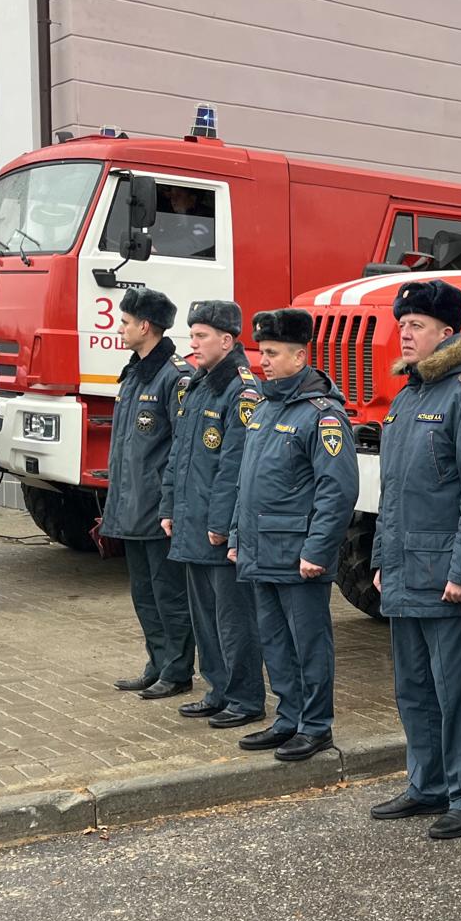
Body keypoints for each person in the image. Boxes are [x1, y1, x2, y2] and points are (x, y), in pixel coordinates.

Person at [366, 280, 461, 835]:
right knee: (412, 687)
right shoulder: (408, 395)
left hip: (444, 574)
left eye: (416, 324)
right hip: (402, 567)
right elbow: (390, 491)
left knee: (457, 690)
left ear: (447, 332)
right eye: (402, 323)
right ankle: (427, 784)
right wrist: (377, 555)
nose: (405, 333)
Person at [230, 308, 359, 762]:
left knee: (308, 644)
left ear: (300, 356)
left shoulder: (321, 415)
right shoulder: (264, 408)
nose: (261, 360)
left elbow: (338, 490)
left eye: (271, 353)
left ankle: (316, 725)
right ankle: (288, 718)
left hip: (298, 555)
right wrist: (235, 537)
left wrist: (318, 550)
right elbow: (246, 482)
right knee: (275, 641)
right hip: (261, 549)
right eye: (260, 351)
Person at [159, 300, 268, 729]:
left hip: (214, 530)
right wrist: (169, 506)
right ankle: (218, 689)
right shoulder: (198, 385)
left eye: (202, 335)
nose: (194, 343)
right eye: (192, 334)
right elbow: (179, 456)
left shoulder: (241, 392)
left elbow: (234, 469)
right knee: (205, 617)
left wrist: (220, 527)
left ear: (227, 340)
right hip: (191, 523)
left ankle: (244, 698)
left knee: (233, 619)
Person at [102, 285, 196, 701]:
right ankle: (157, 663)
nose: (119, 328)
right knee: (144, 594)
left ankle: (177, 671)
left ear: (145, 326)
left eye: (124, 322)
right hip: (132, 507)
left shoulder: (173, 377)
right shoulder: (135, 372)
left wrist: (170, 505)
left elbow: (181, 449)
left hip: (158, 510)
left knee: (169, 594)